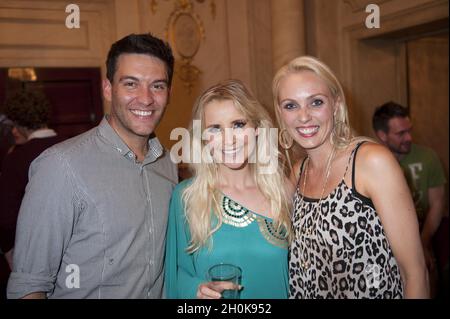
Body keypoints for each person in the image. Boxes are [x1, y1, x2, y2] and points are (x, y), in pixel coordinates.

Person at [7, 33, 178, 299]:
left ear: (169, 93)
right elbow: (29, 286)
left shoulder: (167, 164)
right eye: (131, 84)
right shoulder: (60, 166)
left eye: (157, 86)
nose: (145, 99)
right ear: (108, 88)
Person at [273, 56, 428, 298]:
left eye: (316, 102)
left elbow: (415, 273)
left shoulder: (370, 162)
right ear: (280, 113)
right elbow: (259, 225)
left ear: (335, 105)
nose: (303, 116)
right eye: (291, 105)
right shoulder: (298, 172)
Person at [165, 79, 292, 299]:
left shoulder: (283, 191)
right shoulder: (187, 197)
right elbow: (176, 273)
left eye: (238, 124)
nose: (229, 139)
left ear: (257, 129)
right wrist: (195, 290)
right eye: (215, 128)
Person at [372, 101, 447, 296]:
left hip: (424, 237)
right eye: (400, 134)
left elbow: (437, 203)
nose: (409, 138)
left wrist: (423, 241)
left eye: (409, 130)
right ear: (382, 135)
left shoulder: (428, 157)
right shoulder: (371, 162)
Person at [0, 89, 64, 271]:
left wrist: (12, 256)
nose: (13, 130)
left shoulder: (16, 158)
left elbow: (6, 219)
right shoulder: (74, 144)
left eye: (14, 125)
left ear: (20, 123)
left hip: (33, 253)